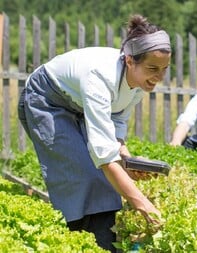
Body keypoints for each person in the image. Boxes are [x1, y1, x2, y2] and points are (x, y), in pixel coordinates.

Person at [18, 14, 171, 252]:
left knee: (106, 180)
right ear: (130, 61)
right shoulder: (100, 76)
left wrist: (125, 156)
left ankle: (97, 241)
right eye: (153, 68)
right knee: (82, 175)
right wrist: (142, 204)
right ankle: (77, 242)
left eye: (164, 69)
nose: (159, 77)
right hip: (46, 100)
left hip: (77, 104)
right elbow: (104, 157)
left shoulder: (140, 83)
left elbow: (117, 117)